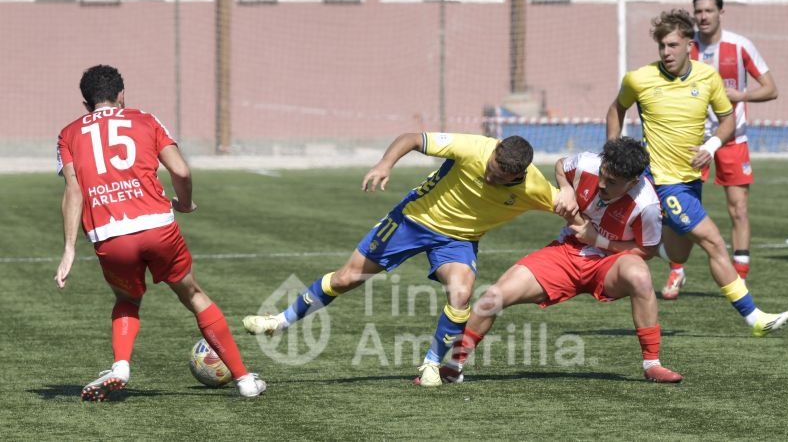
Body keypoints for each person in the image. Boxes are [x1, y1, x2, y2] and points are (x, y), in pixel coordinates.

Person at [243, 131, 559, 386]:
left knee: (461, 294)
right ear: (494, 152)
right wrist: (385, 164)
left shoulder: (535, 188)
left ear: (519, 174)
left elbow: (571, 205)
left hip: (457, 241)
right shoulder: (473, 147)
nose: (490, 178)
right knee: (346, 279)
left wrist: (571, 196)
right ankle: (280, 322)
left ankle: (432, 364)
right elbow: (412, 138)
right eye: (490, 170)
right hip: (411, 221)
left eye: (500, 178)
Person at [55, 65, 266, 401]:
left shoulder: (68, 134)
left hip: (111, 235)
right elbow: (180, 170)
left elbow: (73, 191)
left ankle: (121, 365)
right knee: (194, 295)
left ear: (86, 103)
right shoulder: (146, 120)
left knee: (127, 299)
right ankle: (245, 382)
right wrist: (184, 203)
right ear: (122, 94)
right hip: (157, 226)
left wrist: (68, 249)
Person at [439, 137, 683, 384]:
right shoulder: (588, 162)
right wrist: (566, 188)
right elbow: (560, 165)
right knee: (494, 296)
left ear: (632, 182)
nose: (600, 184)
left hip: (610, 262)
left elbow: (647, 250)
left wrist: (599, 241)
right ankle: (453, 366)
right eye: (602, 173)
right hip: (566, 252)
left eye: (611, 182)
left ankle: (652, 364)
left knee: (639, 275)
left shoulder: (647, 205)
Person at [606, 10, 788, 335]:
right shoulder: (639, 78)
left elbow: (728, 118)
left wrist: (713, 146)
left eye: (673, 45)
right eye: (662, 46)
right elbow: (616, 108)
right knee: (715, 243)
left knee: (679, 252)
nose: (666, 52)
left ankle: (638, 244)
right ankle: (754, 318)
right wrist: (612, 151)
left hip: (691, 181)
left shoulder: (708, 77)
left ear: (690, 45)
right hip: (664, 182)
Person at [662, 0, 779, 299]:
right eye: (698, 11)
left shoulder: (740, 46)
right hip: (692, 141)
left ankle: (739, 277)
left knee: (738, 208)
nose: (703, 16)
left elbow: (770, 88)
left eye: (708, 10)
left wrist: (741, 96)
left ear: (720, 13)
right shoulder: (686, 48)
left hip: (732, 137)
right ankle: (676, 270)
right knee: (681, 208)